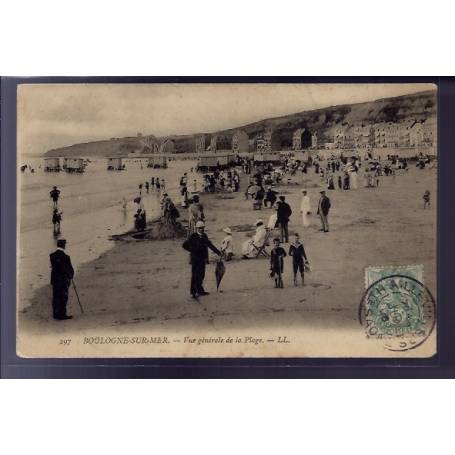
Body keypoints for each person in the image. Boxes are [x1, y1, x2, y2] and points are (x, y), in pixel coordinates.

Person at [182, 221, 221, 299]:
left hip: (202, 259)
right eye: (200, 228)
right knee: (194, 275)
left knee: (201, 275)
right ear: (197, 228)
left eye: (202, 228)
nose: (201, 229)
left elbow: (210, 245)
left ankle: (200, 290)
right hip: (195, 259)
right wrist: (192, 250)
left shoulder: (204, 236)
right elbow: (184, 245)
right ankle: (193, 292)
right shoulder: (193, 236)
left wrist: (218, 252)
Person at [49, 238, 74, 320]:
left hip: (55, 279)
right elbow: (69, 269)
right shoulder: (66, 257)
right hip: (63, 280)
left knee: (55, 296)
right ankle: (62, 314)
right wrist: (70, 275)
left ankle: (55, 314)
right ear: (64, 245)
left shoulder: (52, 256)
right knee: (63, 297)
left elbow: (56, 267)